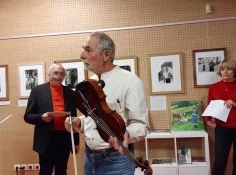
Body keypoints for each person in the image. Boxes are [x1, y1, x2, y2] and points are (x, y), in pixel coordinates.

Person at [65, 32, 149, 175]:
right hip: (89, 158)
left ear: (106, 55)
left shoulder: (130, 81)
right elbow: (97, 116)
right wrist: (80, 122)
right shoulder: (90, 82)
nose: (82, 55)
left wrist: (126, 133)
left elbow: (140, 124)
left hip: (117, 160)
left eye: (88, 50)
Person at [24, 63, 80, 175]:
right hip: (46, 139)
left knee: (62, 171)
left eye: (61, 74)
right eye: (55, 73)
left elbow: (73, 118)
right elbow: (27, 116)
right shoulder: (37, 91)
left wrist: (76, 141)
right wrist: (41, 117)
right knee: (45, 171)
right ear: (49, 74)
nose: (58, 76)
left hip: (64, 137)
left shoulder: (70, 93)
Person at [204, 59, 236, 175]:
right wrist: (208, 121)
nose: (225, 71)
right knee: (219, 161)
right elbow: (209, 108)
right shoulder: (213, 88)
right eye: (222, 69)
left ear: (234, 71)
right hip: (222, 128)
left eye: (229, 69)